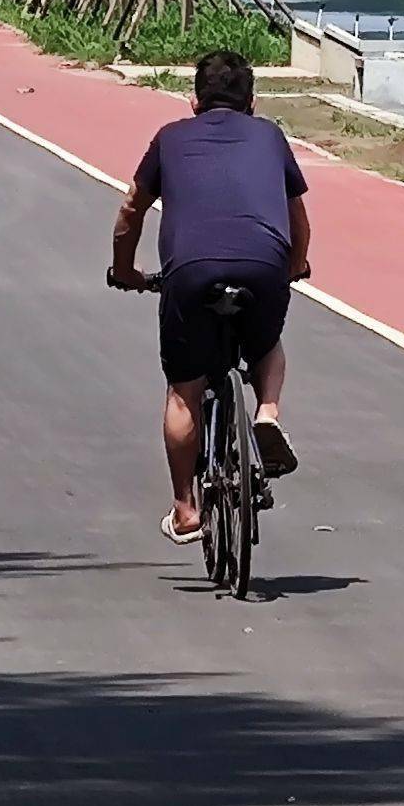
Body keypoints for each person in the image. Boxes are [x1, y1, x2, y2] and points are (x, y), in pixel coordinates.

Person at [107, 48, 307, 545]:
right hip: (264, 265)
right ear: (252, 103)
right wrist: (294, 267)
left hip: (190, 272)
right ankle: (267, 414)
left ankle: (185, 507)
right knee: (265, 345)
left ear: (193, 102)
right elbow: (299, 221)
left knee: (184, 389)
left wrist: (127, 270)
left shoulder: (170, 138)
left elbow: (131, 209)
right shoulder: (271, 136)